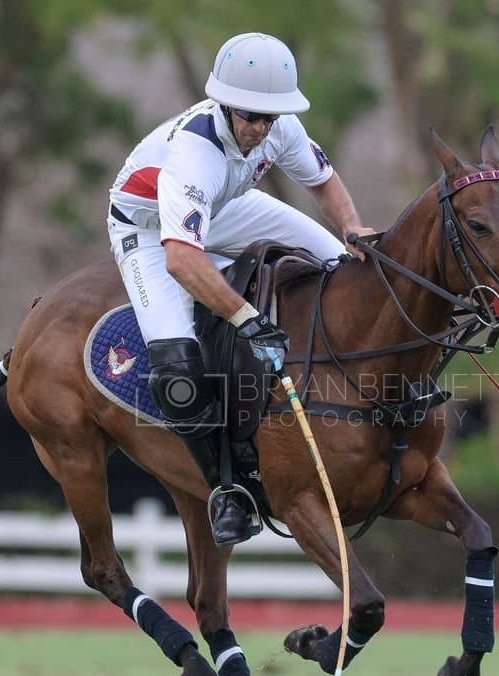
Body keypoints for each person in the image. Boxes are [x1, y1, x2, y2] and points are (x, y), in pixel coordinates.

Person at [107, 32, 375, 548]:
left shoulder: (280, 126)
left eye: (269, 119)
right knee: (176, 372)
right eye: (250, 117)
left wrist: (353, 228)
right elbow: (183, 259)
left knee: (345, 268)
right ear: (225, 105)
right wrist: (246, 317)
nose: (260, 129)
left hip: (226, 210)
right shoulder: (194, 154)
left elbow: (322, 181)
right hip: (145, 229)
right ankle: (228, 490)